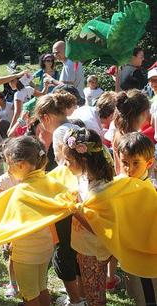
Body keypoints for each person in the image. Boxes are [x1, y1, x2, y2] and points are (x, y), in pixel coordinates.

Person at [34, 92, 84, 306]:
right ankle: (83, 295)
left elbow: (66, 170)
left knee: (63, 248)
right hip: (84, 195)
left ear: (45, 117)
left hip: (68, 198)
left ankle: (75, 299)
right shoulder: (76, 127)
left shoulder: (58, 134)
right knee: (78, 247)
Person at [62, 128, 114, 306]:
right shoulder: (86, 177)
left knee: (95, 295)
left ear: (83, 160)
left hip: (93, 252)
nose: (65, 165)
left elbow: (98, 229)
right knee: (92, 288)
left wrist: (75, 209)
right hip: (85, 248)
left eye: (68, 160)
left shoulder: (100, 191)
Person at [3, 136, 57, 306]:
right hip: (44, 247)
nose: (8, 169)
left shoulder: (21, 191)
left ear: (21, 165)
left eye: (9, 164)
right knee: (42, 287)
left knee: (29, 295)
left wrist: (7, 241)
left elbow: (14, 222)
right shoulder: (47, 181)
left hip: (25, 252)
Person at [116, 132, 157, 306]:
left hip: (146, 254)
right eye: (125, 163)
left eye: (135, 163)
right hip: (128, 251)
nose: (129, 169)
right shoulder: (120, 184)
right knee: (137, 294)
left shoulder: (149, 191)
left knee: (149, 294)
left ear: (149, 163)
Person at [0, 142, 20, 298]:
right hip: (11, 222)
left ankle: (23, 283)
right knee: (12, 255)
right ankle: (13, 284)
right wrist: (3, 236)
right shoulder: (3, 180)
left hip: (25, 221)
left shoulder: (25, 175)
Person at [112, 90, 150, 174]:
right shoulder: (137, 141)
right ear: (144, 113)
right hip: (136, 185)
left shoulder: (118, 133)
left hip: (122, 182)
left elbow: (117, 168)